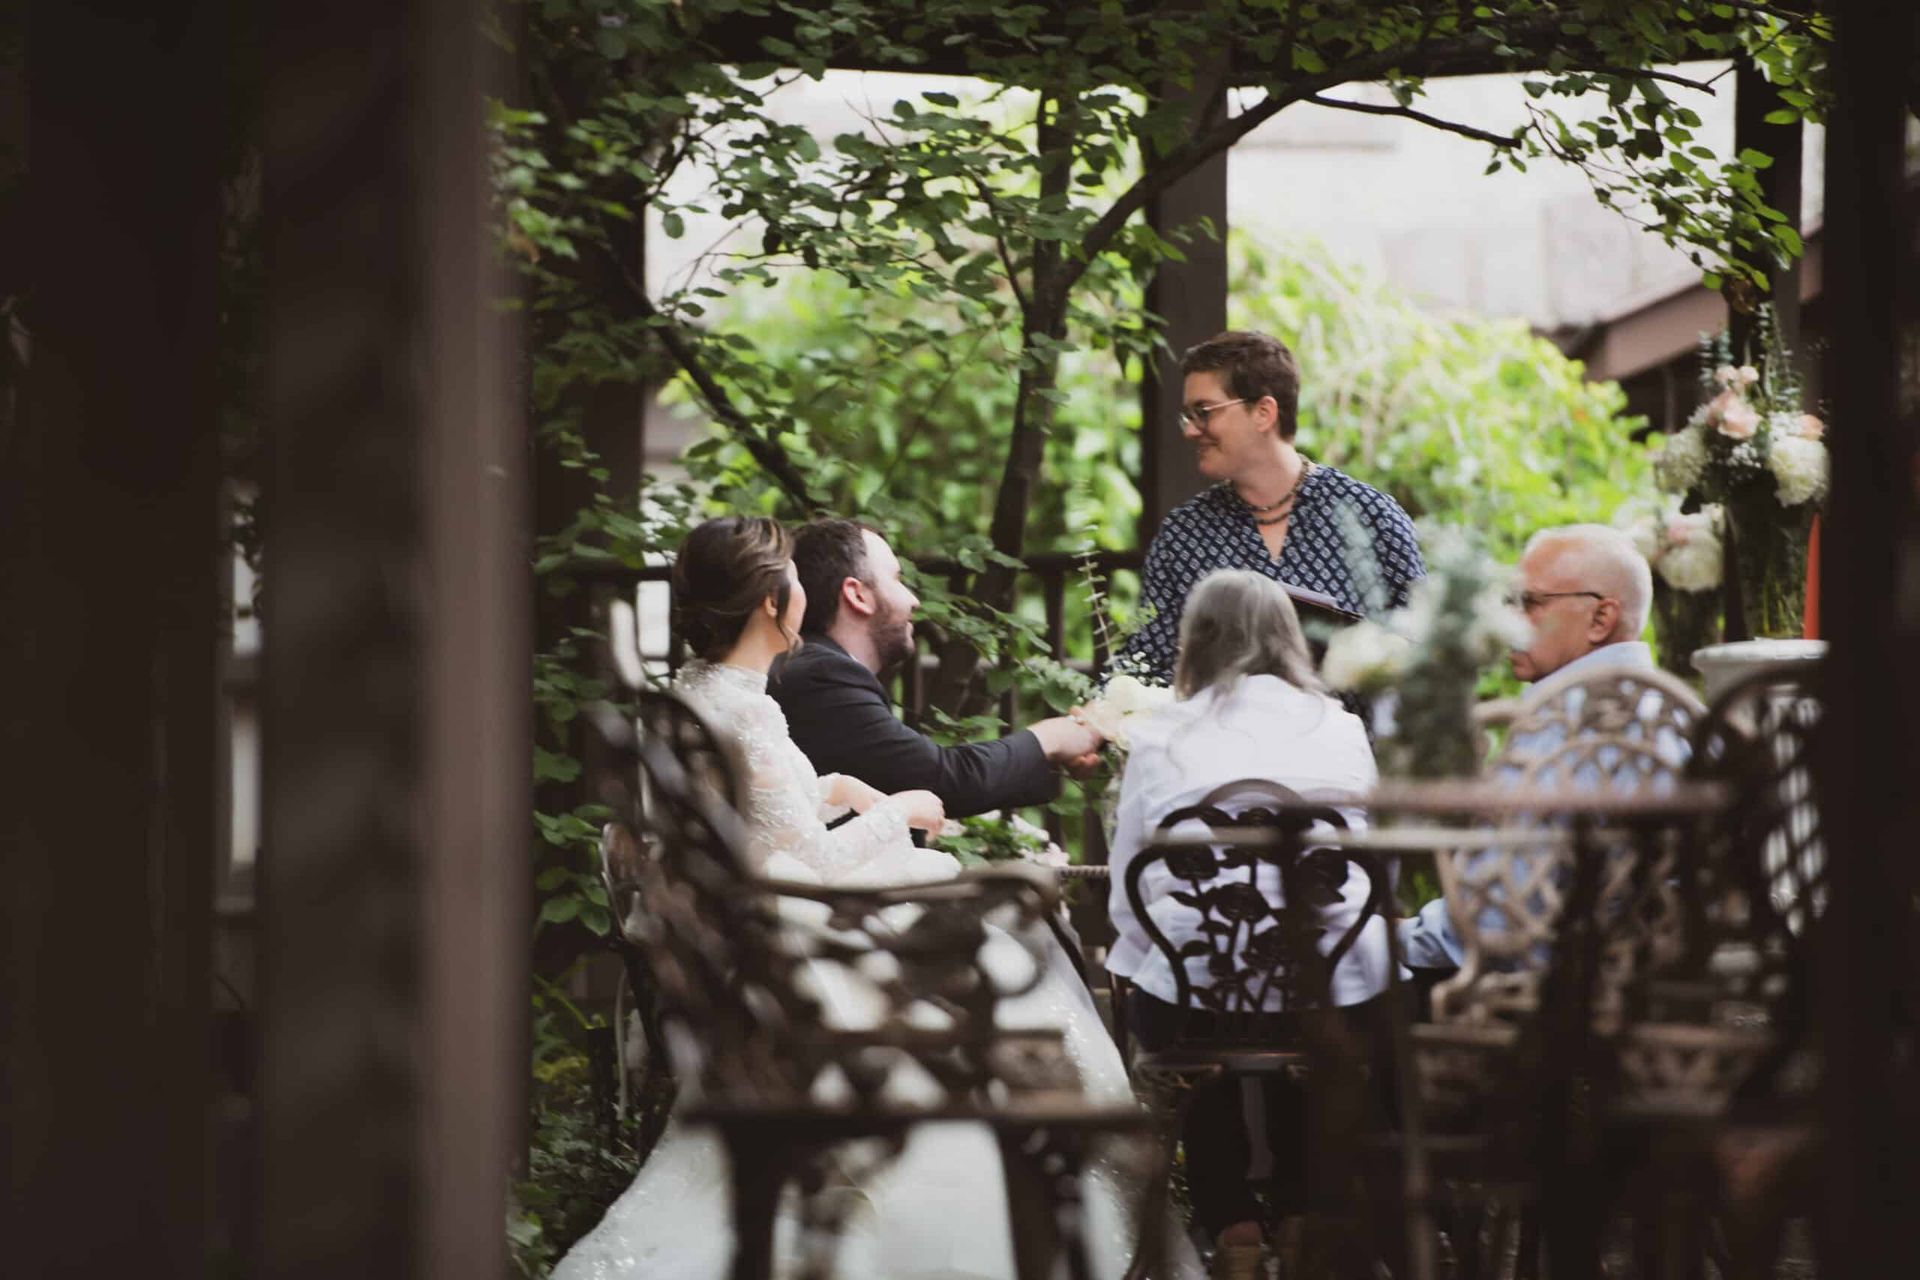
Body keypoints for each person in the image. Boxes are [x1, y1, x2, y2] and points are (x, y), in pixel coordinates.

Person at [556, 516, 1191, 1280]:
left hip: (747, 934)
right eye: (792, 577)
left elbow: (761, 817)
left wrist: (838, 787)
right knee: (1001, 949)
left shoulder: (695, 693)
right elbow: (814, 860)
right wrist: (901, 809)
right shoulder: (752, 709)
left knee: (971, 923)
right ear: (771, 602)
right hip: (792, 953)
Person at [1105, 570, 1390, 1280]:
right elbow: (1366, 863)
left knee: (1190, 999)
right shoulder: (1342, 728)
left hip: (1194, 1003)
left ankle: (1230, 1219)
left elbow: (1127, 895)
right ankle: (1299, 1215)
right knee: (1317, 1024)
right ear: (1290, 640)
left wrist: (1167, 961)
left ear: (1194, 642)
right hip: (1331, 992)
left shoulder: (1160, 734)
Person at [1400, 522, 1673, 970]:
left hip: (1556, 997)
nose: (1509, 624)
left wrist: (1393, 938)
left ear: (1601, 619)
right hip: (1652, 985)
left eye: (1530, 603)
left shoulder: (1567, 722)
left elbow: (1498, 923)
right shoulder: (1672, 713)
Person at [1120, 330, 1424, 684]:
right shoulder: (1183, 535)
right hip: (1222, 738)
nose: (1190, 430)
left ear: (1263, 412)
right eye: (1187, 416)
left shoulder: (1372, 517)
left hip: (1348, 738)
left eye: (1203, 412)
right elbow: (1143, 666)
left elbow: (1430, 653)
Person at [771, 518, 1104, 817]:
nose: (914, 600)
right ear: (858, 595)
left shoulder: (814, 669)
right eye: (897, 579)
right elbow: (944, 780)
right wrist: (1051, 737)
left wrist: (1052, 755)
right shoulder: (821, 677)